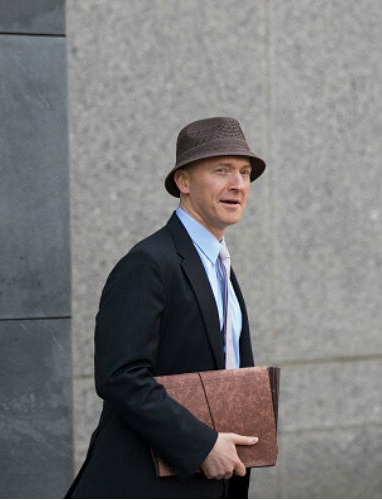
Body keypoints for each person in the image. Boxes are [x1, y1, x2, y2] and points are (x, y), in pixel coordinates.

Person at [66, 116, 266, 498]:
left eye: (244, 172)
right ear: (183, 182)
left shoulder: (221, 266)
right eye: (221, 170)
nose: (238, 183)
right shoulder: (148, 263)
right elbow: (120, 376)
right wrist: (201, 446)